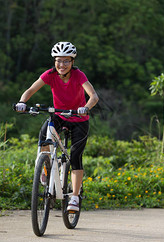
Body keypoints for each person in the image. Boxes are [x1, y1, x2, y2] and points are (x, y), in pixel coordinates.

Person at [15, 41, 99, 212]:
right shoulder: (50, 74)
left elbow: (94, 96)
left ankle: (74, 197)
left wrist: (86, 108)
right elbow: (31, 90)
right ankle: (45, 168)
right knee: (44, 137)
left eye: (66, 61)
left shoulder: (79, 75)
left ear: (72, 62)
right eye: (58, 60)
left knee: (75, 156)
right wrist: (22, 102)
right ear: (54, 61)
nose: (62, 65)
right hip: (59, 115)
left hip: (78, 118)